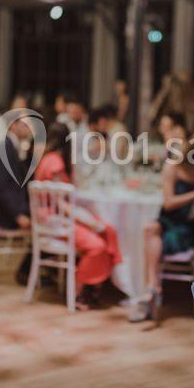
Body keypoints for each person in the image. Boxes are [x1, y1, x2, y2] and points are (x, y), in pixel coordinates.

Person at [33, 123, 122, 310]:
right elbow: (61, 204)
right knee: (98, 244)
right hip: (56, 222)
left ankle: (94, 288)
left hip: (55, 219)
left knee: (108, 231)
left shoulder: (46, 159)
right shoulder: (55, 163)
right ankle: (79, 292)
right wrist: (90, 222)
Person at [132, 124, 194, 322]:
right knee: (149, 228)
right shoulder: (173, 167)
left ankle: (151, 292)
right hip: (170, 219)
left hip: (190, 226)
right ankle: (153, 289)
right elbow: (169, 204)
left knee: (152, 234)